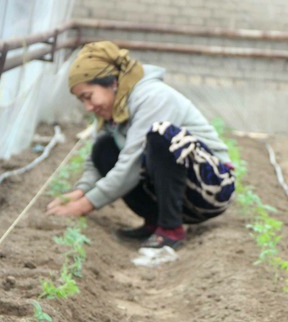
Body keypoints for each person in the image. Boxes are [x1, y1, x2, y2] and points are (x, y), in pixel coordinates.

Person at [46, 41, 235, 249]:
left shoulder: (153, 97)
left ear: (112, 83)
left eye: (88, 96)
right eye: (82, 101)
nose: (88, 107)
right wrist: (80, 191)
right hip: (181, 194)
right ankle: (154, 221)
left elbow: (131, 163)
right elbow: (96, 160)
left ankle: (170, 229)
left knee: (161, 135)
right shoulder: (114, 109)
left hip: (211, 190)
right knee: (104, 147)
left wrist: (85, 206)